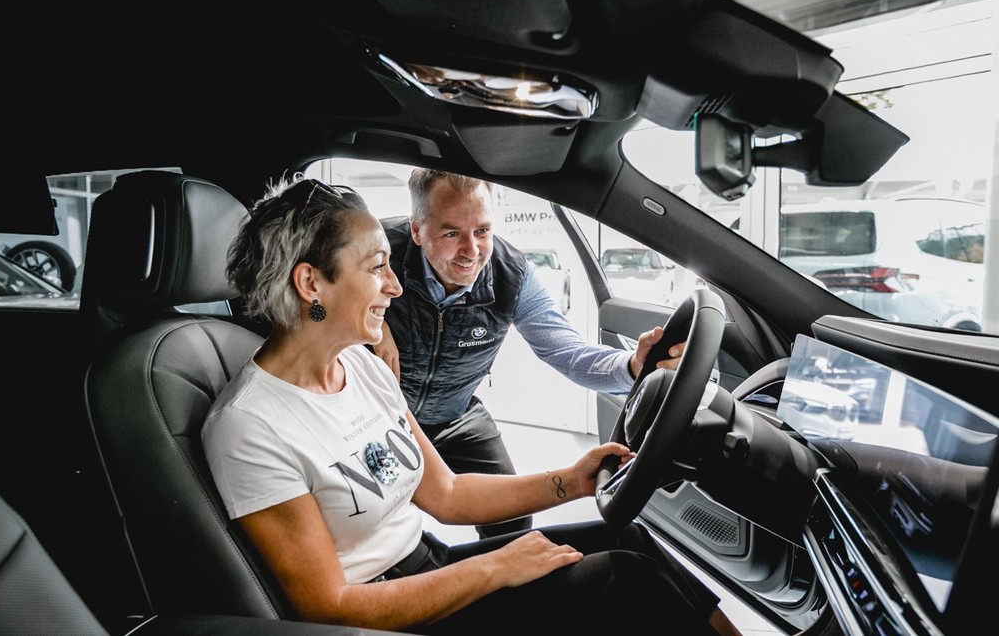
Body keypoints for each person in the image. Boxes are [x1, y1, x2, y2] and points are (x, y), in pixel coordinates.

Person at [201, 176, 740, 635]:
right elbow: (327, 607)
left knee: (630, 539)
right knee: (625, 582)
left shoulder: (362, 369)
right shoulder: (250, 424)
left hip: (429, 555)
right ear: (310, 282)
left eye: (482, 231)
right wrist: (493, 568)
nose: (394, 286)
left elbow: (448, 494)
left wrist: (573, 480)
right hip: (387, 614)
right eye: (376, 268)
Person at [374, 168, 683, 537]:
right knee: (376, 522)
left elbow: (566, 351)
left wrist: (633, 365)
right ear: (416, 230)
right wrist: (368, 322)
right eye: (451, 233)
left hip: (455, 415)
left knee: (512, 519)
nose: (472, 251)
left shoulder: (512, 276)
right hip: (378, 414)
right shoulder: (374, 250)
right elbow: (313, 293)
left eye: (482, 231)